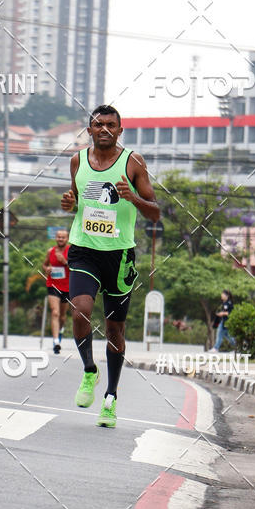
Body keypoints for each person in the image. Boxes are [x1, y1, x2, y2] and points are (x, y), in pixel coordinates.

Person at [61, 105, 160, 427]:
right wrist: (70, 204)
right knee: (80, 309)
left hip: (119, 256)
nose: (104, 129)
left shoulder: (133, 162)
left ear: (120, 130)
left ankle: (111, 397)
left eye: (110, 125)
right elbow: (76, 200)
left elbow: (156, 213)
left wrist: (133, 197)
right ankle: (89, 370)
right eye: (98, 124)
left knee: (115, 329)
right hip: (84, 249)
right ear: (89, 130)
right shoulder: (77, 160)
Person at [42, 229, 70, 354]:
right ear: (56, 238)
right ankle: (55, 342)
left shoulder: (71, 251)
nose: (60, 239)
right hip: (53, 285)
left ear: (67, 238)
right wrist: (47, 269)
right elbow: (44, 265)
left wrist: (65, 262)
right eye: (58, 237)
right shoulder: (50, 251)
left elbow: (76, 268)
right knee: (55, 312)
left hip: (67, 286)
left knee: (62, 317)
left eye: (63, 237)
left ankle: (60, 331)